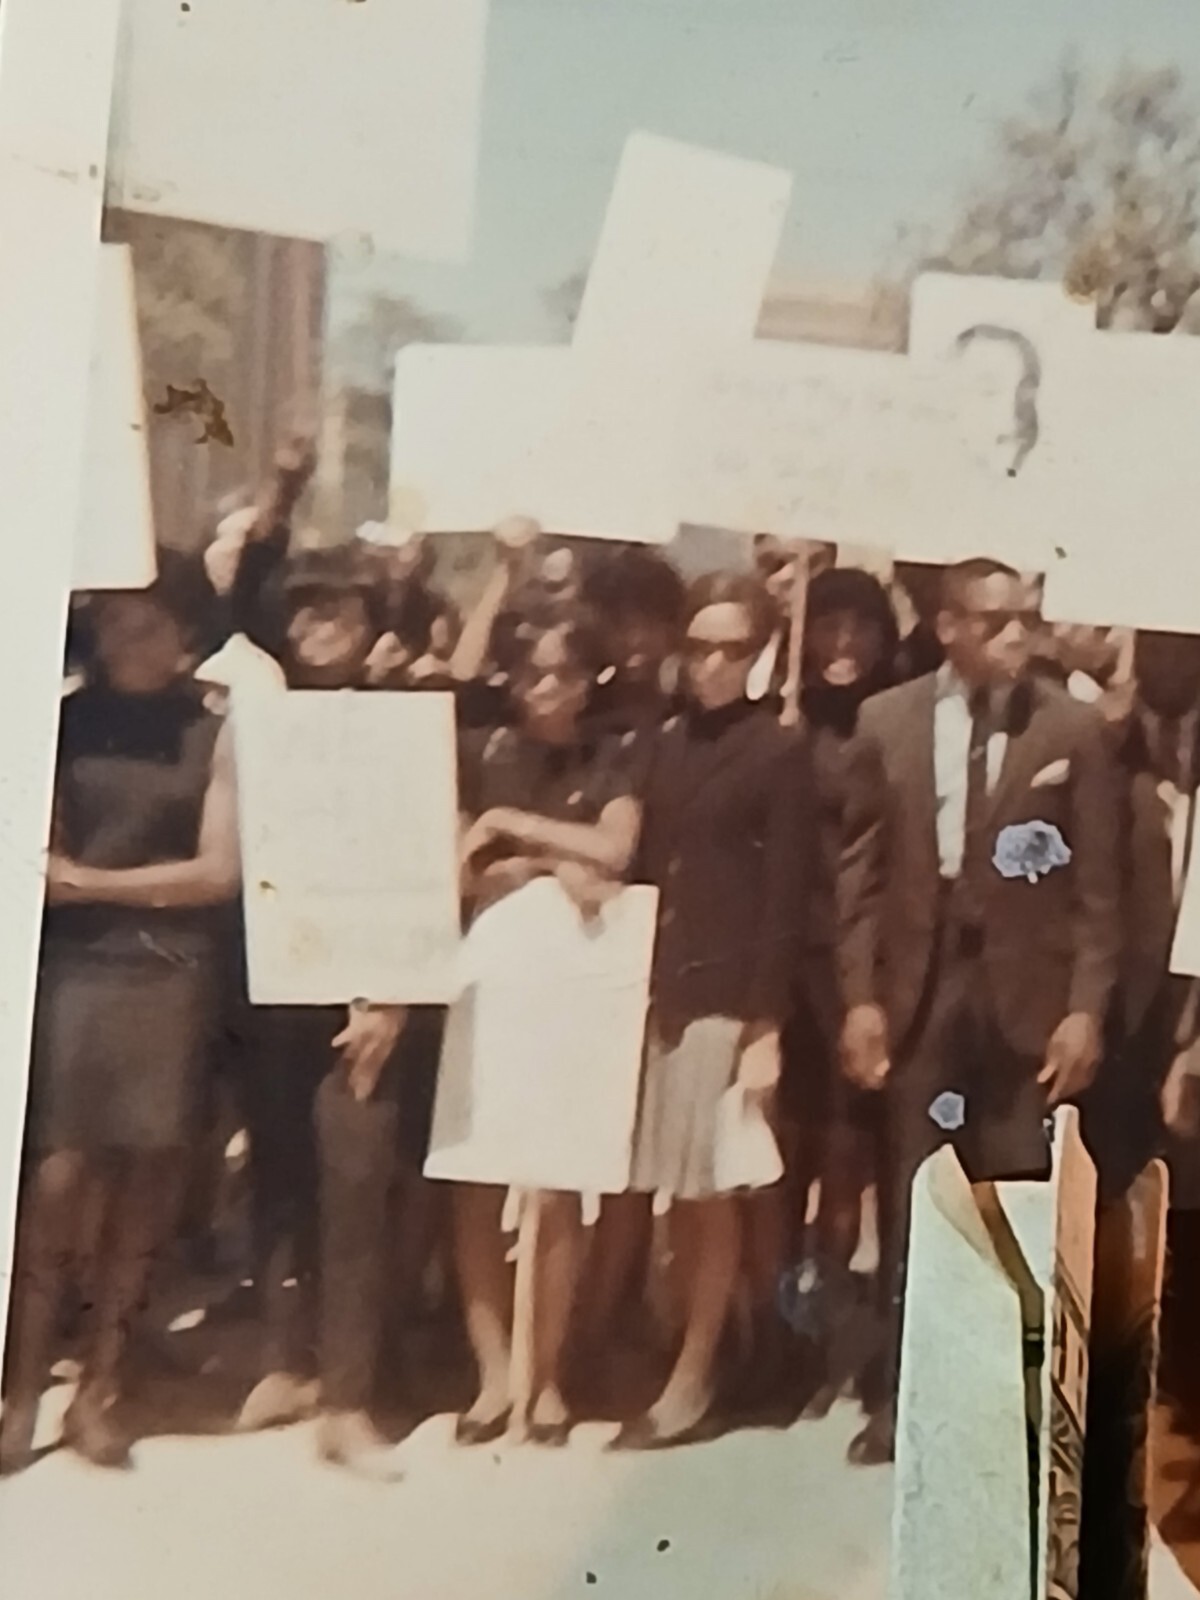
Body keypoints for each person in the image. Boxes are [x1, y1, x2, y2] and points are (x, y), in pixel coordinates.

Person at [838, 556, 1122, 1466]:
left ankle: (1014, 1400)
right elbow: (860, 877)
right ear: (948, 627)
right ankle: (904, 1398)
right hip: (922, 988)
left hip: (1025, 1000)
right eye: (995, 622)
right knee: (918, 1196)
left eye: (1026, 621)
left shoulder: (1071, 728)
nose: (1017, 638)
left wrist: (1085, 1011)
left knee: (1016, 1194)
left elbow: (1101, 892)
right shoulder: (888, 721)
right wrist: (860, 1002)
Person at [0, 556, 239, 1475]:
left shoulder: (215, 732)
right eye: (110, 624)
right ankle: (22, 1389)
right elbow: (38, 846)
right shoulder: (60, 719)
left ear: (184, 635)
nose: (120, 640)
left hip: (169, 977)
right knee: (57, 1185)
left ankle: (102, 1389)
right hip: (79, 973)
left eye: (142, 625)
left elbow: (217, 872)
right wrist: (72, 878)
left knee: (143, 1195)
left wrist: (95, 884)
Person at [610, 572, 821, 1449]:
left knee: (708, 1193)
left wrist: (765, 1029)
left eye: (731, 648)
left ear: (760, 654)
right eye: (698, 646)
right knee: (675, 1194)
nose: (710, 664)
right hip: (660, 989)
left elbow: (786, 899)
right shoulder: (663, 743)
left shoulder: (779, 749)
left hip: (730, 1001)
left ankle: (695, 1374)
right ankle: (703, 1342)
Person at [451, 608, 642, 1446]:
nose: (546, 687)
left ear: (589, 677)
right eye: (531, 672)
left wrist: (513, 832)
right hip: (489, 974)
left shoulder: (618, 751)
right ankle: (493, 1377)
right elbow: (457, 865)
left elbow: (616, 852)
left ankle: (548, 1376)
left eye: (563, 672)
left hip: (575, 981)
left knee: (558, 1181)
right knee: (477, 1174)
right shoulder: (481, 750)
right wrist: (541, 862)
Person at [770, 567, 899, 1417]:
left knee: (854, 1165)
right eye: (829, 627)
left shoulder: (898, 717)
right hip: (790, 968)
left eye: (860, 628)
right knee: (787, 1165)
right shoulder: (785, 720)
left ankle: (845, 1355)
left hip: (870, 969)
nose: (843, 645)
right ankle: (786, 1338)